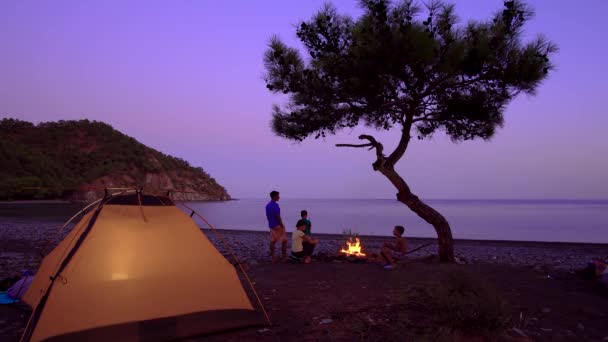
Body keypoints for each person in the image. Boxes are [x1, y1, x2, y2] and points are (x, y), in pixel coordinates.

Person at [266, 190, 287, 261]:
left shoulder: (267, 205)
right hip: (277, 225)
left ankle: (273, 257)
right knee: (284, 240)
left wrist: (270, 223)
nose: (279, 197)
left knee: (273, 240)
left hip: (271, 225)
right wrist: (281, 224)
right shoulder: (275, 205)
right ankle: (284, 256)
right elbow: (277, 216)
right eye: (278, 196)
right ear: (274, 196)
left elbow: (268, 216)